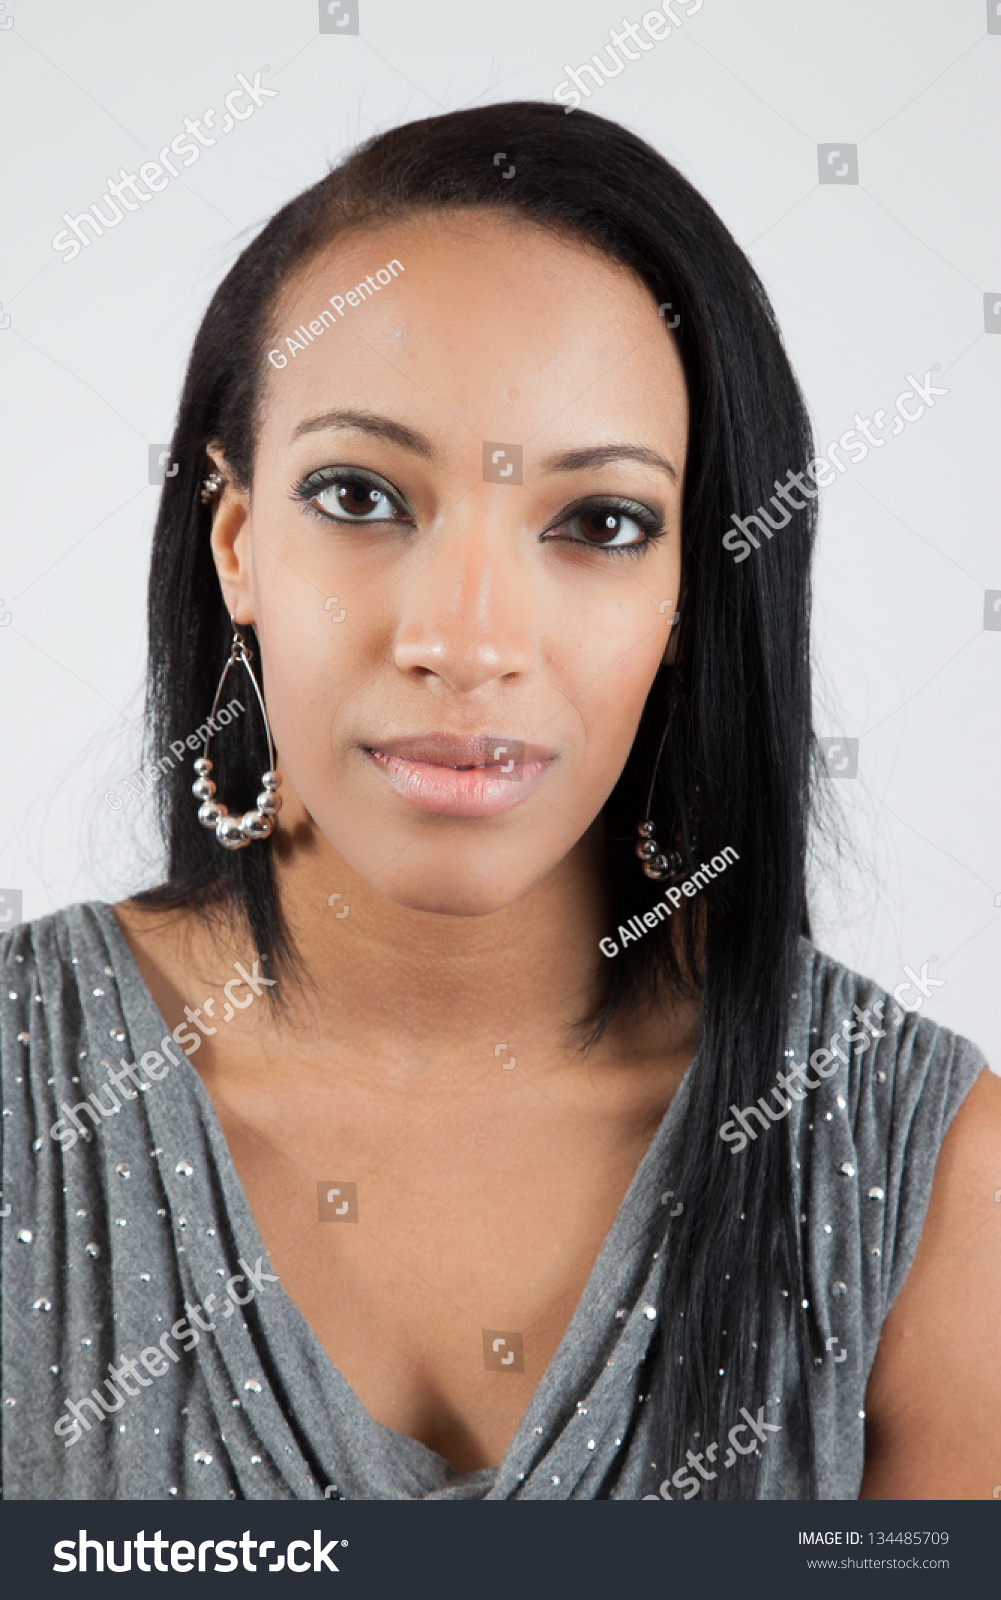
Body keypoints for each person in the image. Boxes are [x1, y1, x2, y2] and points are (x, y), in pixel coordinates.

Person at [2, 101, 998, 1502]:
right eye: (358, 495)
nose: (464, 643)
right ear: (237, 545)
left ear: (687, 597)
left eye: (598, 524)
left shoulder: (928, 1177)